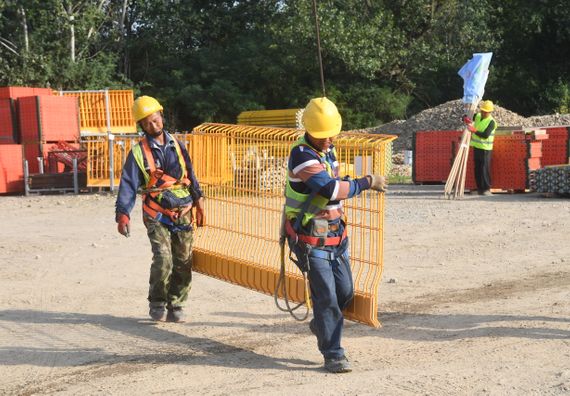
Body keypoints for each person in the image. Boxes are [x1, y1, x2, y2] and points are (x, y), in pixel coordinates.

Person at [282, 97, 386, 373]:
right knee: (326, 297)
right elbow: (329, 189)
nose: (329, 139)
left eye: (332, 134)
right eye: (323, 135)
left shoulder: (327, 149)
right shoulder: (302, 155)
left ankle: (322, 323)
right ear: (310, 132)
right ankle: (333, 353)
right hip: (311, 239)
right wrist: (366, 182)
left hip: (336, 236)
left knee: (345, 291)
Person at [115, 95, 205, 323]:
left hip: (183, 211)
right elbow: (128, 183)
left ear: (161, 117)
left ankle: (177, 304)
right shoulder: (138, 153)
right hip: (157, 213)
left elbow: (190, 175)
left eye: (155, 120)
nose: (153, 126)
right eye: (147, 123)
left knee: (184, 260)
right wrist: (123, 214)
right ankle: (157, 302)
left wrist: (199, 201)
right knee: (163, 258)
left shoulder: (177, 145)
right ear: (141, 126)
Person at [463, 100, 497, 196]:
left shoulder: (492, 122)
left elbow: (485, 135)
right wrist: (465, 118)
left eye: (485, 112)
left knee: (484, 169)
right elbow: (467, 117)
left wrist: (474, 130)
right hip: (477, 147)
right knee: (477, 168)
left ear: (490, 112)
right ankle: (479, 188)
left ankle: (486, 189)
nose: (483, 113)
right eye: (482, 111)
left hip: (486, 149)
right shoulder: (478, 116)